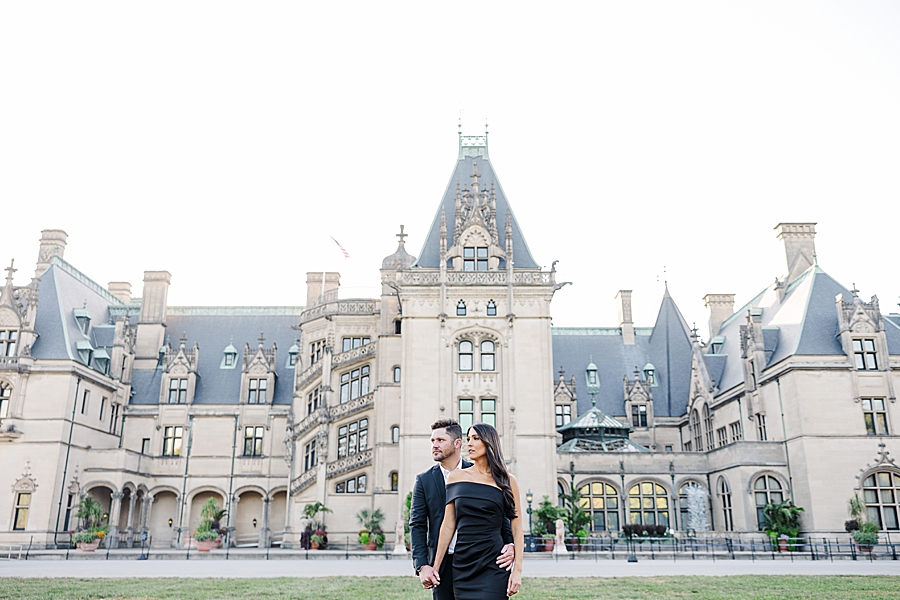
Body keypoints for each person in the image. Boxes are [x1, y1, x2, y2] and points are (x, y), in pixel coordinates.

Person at [410, 419, 515, 600]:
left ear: (457, 443)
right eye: (432, 441)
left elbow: (500, 513)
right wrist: (422, 565)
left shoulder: (481, 472)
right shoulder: (424, 480)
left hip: (481, 559)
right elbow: (417, 524)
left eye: (440, 440)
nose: (434, 445)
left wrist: (510, 544)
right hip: (443, 564)